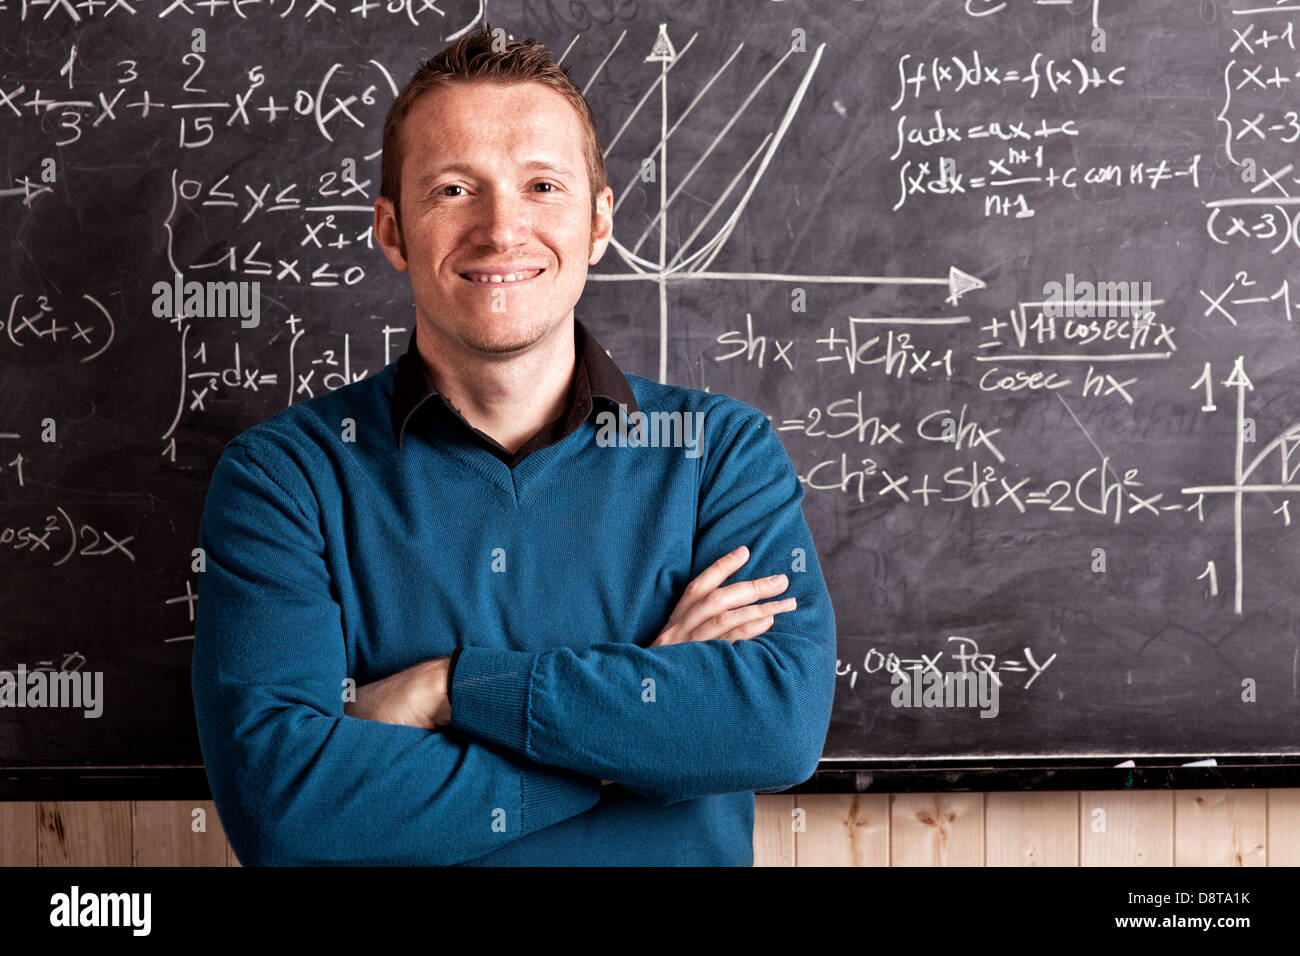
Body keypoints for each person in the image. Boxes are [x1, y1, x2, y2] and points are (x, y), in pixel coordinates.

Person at [191, 23, 836, 866]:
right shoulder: (284, 479)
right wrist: (627, 741)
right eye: (454, 189)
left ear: (598, 223)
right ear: (392, 231)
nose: (501, 230)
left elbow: (776, 727)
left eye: (541, 186)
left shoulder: (720, 456)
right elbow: (284, 811)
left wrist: (451, 689)